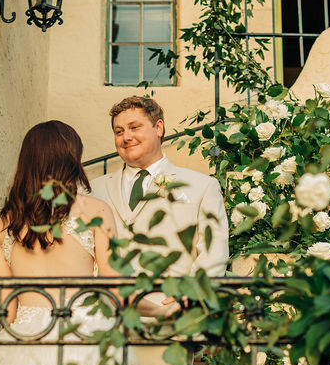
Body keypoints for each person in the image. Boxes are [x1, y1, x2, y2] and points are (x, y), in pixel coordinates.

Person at [0, 120, 120, 365]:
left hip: (24, 341)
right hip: (81, 335)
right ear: (70, 160)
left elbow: (8, 308)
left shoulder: (5, 221)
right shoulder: (95, 211)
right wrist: (163, 310)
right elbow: (116, 286)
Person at [89, 96, 229, 318]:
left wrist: (190, 296)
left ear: (159, 127)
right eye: (118, 131)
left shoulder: (202, 186)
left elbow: (214, 254)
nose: (126, 137)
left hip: (170, 316)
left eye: (135, 127)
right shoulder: (93, 190)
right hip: (104, 320)